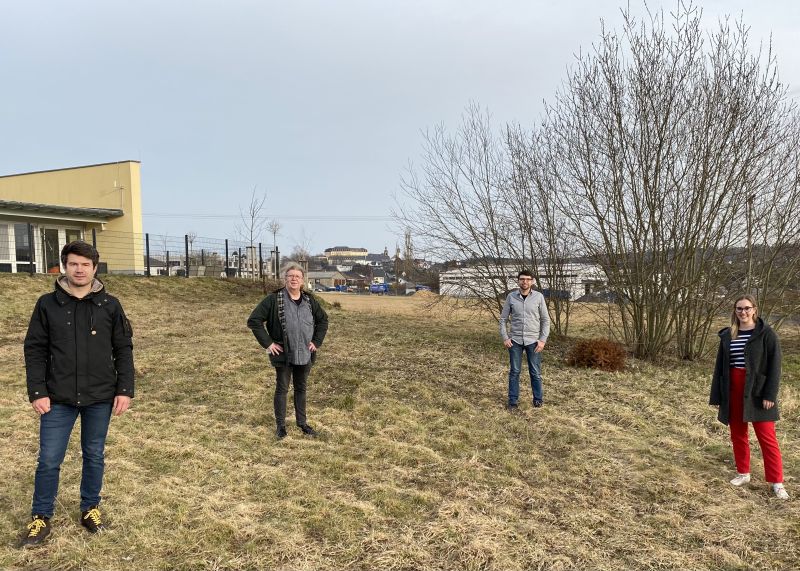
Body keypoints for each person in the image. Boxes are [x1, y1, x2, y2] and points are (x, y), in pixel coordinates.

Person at [20, 241, 134, 547]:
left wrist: (125, 389)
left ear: (95, 268)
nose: (79, 269)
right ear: (64, 267)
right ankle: (41, 517)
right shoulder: (46, 304)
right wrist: (37, 392)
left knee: (94, 455)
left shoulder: (110, 305)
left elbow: (123, 349)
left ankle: (90, 509)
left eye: (85, 264)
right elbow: (34, 350)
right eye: (73, 264)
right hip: (56, 398)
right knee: (49, 460)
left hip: (100, 397)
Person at [710, 295, 789, 500]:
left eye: (746, 308)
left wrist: (769, 394)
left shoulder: (766, 334)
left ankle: (777, 481)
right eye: (739, 309)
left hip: (758, 390)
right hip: (733, 389)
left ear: (754, 309)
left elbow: (775, 366)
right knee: (738, 434)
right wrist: (718, 394)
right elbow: (720, 367)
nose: (742, 312)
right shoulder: (728, 335)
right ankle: (743, 473)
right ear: (734, 311)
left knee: (767, 437)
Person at [247, 262, 329, 439]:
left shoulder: (309, 300)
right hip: (284, 353)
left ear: (302, 281)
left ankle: (302, 423)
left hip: (305, 353)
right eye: (290, 276)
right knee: (282, 388)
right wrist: (268, 344)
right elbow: (254, 320)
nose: (294, 279)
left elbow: (323, 320)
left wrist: (316, 341)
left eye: (297, 277)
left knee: (301, 388)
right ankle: (281, 427)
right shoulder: (274, 300)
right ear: (285, 279)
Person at [499, 270, 550, 411]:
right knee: (514, 371)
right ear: (518, 281)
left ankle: (538, 400)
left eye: (528, 279)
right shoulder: (511, 297)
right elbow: (503, 320)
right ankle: (513, 401)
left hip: (533, 341)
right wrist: (505, 337)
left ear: (532, 281)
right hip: (514, 340)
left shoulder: (539, 297)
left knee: (535, 372)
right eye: (522, 279)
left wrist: (542, 340)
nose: (525, 282)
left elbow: (545, 320)